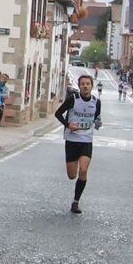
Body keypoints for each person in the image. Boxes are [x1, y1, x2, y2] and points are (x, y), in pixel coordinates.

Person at [55, 71, 102, 214]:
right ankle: (75, 181)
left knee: (83, 170)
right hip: (72, 140)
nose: (85, 86)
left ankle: (76, 202)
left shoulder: (96, 102)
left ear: (92, 86)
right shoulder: (73, 99)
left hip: (86, 140)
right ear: (79, 86)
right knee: (71, 175)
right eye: (83, 84)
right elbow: (58, 113)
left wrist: (98, 122)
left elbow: (97, 118)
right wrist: (68, 125)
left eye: (88, 84)